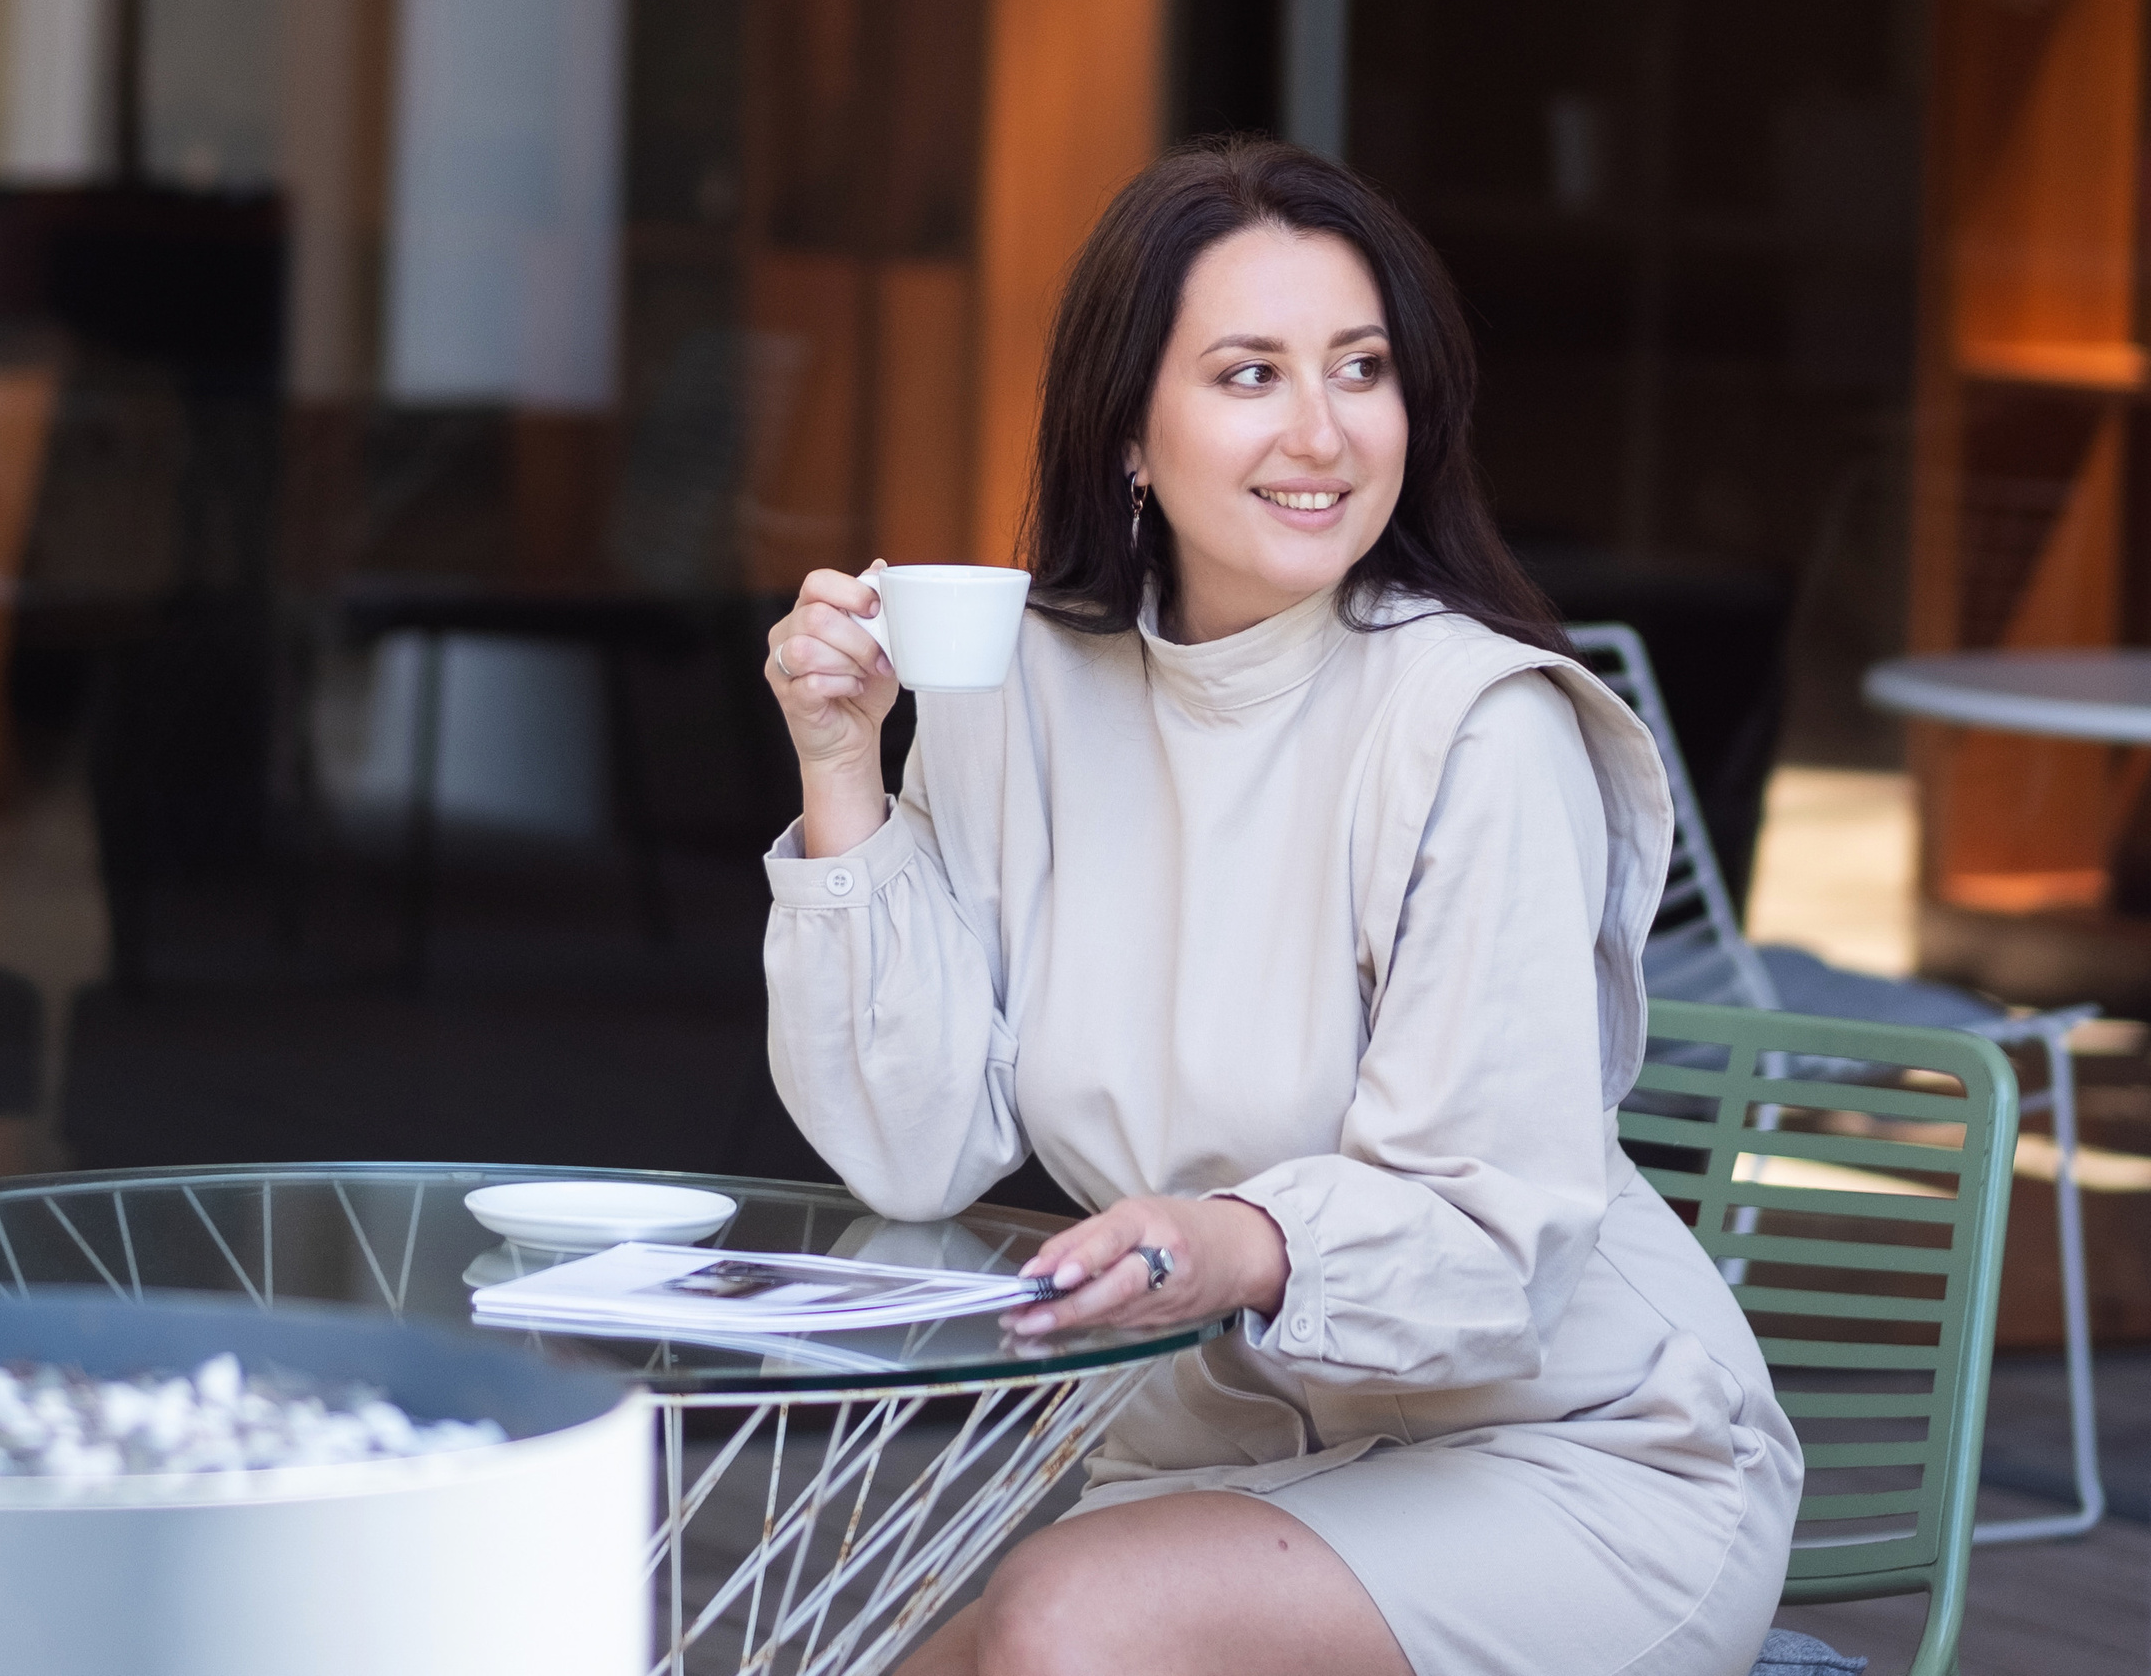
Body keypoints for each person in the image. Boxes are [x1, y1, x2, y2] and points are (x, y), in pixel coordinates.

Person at [761, 139, 1800, 1676]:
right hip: (1218, 1463)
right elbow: (915, 1148)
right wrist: (843, 767)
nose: (1321, 432)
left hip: (1573, 1460)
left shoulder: (1478, 724)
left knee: (1066, 1618)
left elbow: (1493, 1240)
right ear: (1128, 431)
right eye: (1249, 374)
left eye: (1360, 369)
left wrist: (1236, 1240)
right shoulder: (1017, 685)